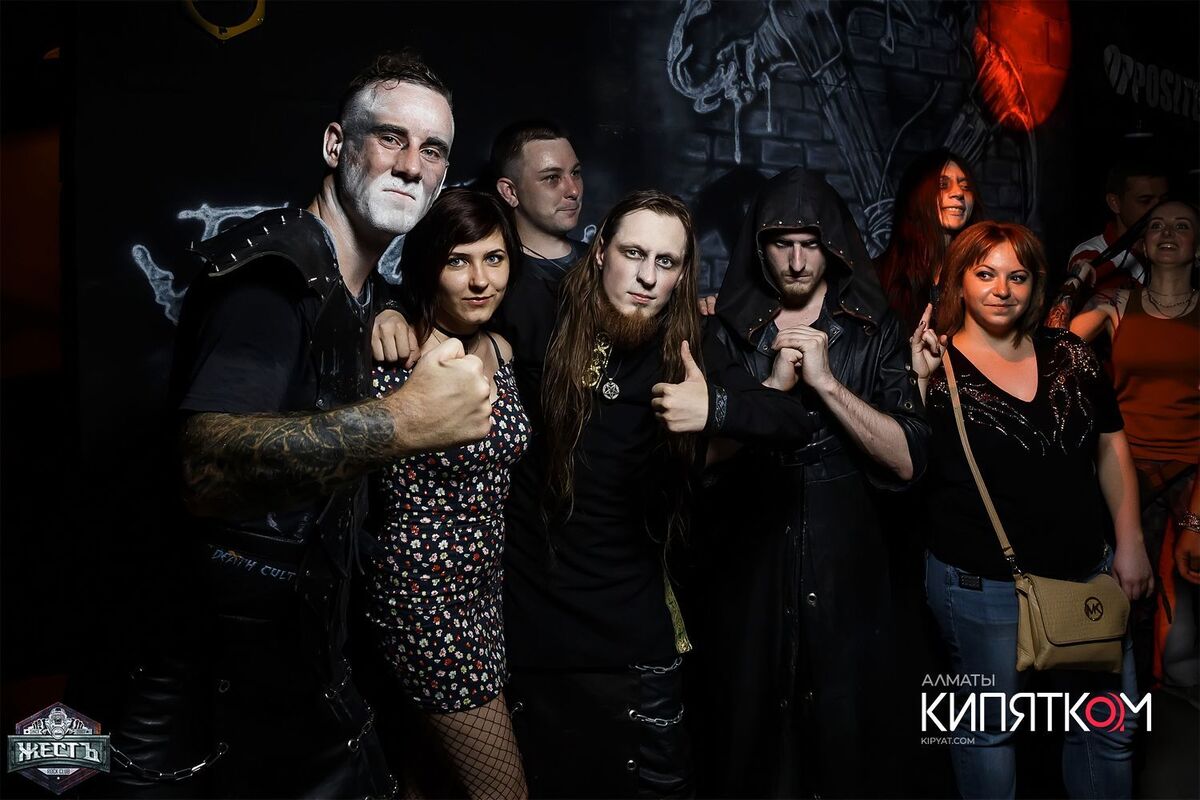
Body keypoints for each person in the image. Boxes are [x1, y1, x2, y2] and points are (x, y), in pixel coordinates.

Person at [110, 53, 494, 798]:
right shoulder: (272, 277)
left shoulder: (355, 288)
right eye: (390, 138)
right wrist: (404, 421)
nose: (410, 166)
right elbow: (203, 468)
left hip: (294, 685)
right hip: (201, 709)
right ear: (335, 145)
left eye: (433, 150)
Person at [670, 167, 929, 798]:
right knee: (751, 735)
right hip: (749, 562)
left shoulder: (873, 327)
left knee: (848, 736)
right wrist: (771, 389)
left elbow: (909, 459)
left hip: (851, 564)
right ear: (758, 247)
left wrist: (827, 383)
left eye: (809, 243)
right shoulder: (724, 328)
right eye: (780, 243)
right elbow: (697, 460)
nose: (795, 260)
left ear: (832, 245)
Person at [910, 221, 1154, 799]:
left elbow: (1111, 444)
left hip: (1086, 573)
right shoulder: (934, 366)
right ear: (959, 281)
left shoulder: (1070, 352)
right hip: (983, 585)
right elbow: (906, 465)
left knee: (1108, 727)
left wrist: (1131, 542)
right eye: (985, 274)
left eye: (1017, 276)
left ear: (1035, 284)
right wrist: (916, 385)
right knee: (989, 735)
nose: (1002, 290)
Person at [361, 188, 529, 799]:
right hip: (425, 603)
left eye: (495, 258)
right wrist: (384, 311)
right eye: (459, 260)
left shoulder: (500, 349)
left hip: (483, 594)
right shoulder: (400, 354)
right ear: (429, 265)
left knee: (428, 783)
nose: (481, 280)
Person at [1070, 199, 1199, 689]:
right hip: (1127, 467)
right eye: (1157, 226)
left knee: (1186, 595)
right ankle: (1129, 707)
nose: (1167, 233)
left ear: (1197, 246)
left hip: (1192, 471)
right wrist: (1080, 282)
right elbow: (1055, 343)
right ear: (1142, 244)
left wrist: (1197, 520)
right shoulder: (1119, 304)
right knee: (1127, 596)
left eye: (1181, 226)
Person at [1045, 160, 1169, 329]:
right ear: (1114, 203)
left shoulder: (1174, 248)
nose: (1159, 210)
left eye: (1164, 201)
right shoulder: (1093, 255)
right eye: (1145, 201)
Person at [875, 148, 982, 333]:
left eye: (965, 187)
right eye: (943, 185)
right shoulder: (878, 275)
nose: (958, 193)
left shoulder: (982, 273)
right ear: (917, 194)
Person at [490, 119, 586, 280]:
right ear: (510, 192)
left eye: (575, 173)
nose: (574, 191)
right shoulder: (494, 276)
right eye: (552, 177)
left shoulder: (602, 262)